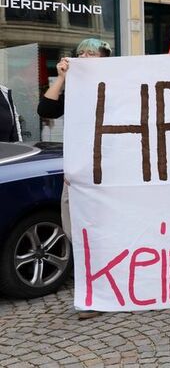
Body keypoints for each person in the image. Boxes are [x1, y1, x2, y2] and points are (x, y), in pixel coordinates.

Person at [37, 38, 111, 320]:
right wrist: (62, 77)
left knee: (107, 234)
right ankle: (92, 293)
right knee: (77, 234)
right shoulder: (75, 93)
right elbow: (46, 110)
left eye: (92, 53)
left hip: (112, 177)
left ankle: (105, 293)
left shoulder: (120, 88)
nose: (85, 57)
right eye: (81, 53)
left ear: (105, 60)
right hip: (78, 178)